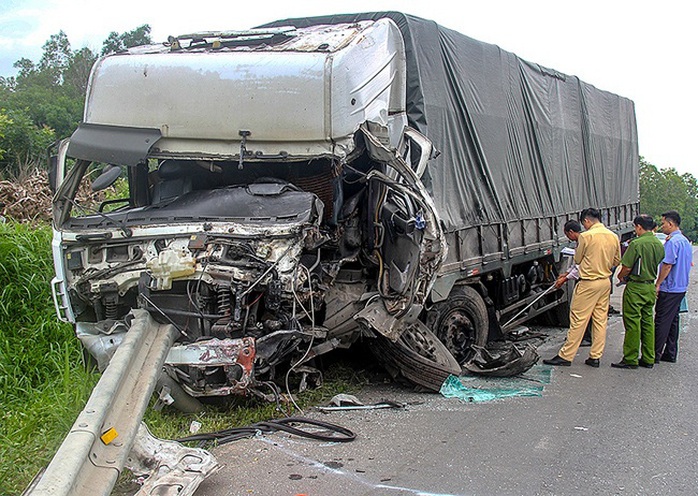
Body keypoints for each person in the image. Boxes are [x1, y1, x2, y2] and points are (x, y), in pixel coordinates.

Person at [544, 208, 621, 367]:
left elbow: (578, 259)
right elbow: (616, 261)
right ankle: (595, 356)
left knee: (578, 319)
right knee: (599, 320)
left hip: (588, 282)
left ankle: (566, 356)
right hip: (605, 282)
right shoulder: (613, 236)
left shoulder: (586, 236)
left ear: (586, 221)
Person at [611, 215, 665, 369]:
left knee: (632, 322)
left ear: (639, 226)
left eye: (635, 227)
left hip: (636, 287)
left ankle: (630, 358)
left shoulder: (637, 244)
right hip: (650, 286)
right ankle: (649, 357)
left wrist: (621, 277)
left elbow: (626, 267)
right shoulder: (658, 243)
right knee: (648, 322)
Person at [654, 210, 693, 363]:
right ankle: (670, 353)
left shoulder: (672, 242)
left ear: (670, 224)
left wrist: (658, 283)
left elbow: (667, 265)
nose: (662, 227)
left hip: (669, 287)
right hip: (681, 286)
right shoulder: (684, 241)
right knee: (673, 321)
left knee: (662, 320)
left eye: (663, 223)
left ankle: (654, 354)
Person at [555, 220, 593, 347]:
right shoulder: (582, 240)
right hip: (590, 279)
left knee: (580, 311)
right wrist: (565, 274)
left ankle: (585, 337)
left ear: (571, 232)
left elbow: (581, 265)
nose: (568, 238)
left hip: (587, 280)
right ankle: (585, 336)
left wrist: (565, 279)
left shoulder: (583, 241)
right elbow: (577, 264)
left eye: (567, 235)